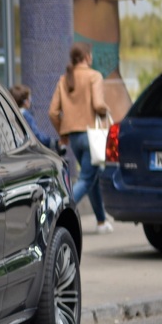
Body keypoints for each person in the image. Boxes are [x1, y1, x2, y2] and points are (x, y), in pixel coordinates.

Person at [48, 42, 112, 233]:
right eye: (90, 55)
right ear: (86, 56)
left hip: (74, 138)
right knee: (86, 179)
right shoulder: (94, 76)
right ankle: (56, 214)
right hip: (92, 135)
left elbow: (52, 112)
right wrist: (106, 110)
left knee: (90, 178)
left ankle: (101, 221)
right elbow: (99, 104)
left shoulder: (64, 78)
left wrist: (62, 133)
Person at [9, 83, 56, 149]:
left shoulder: (11, 115)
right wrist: (51, 142)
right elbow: (36, 135)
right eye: (29, 98)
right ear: (25, 101)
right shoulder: (26, 115)